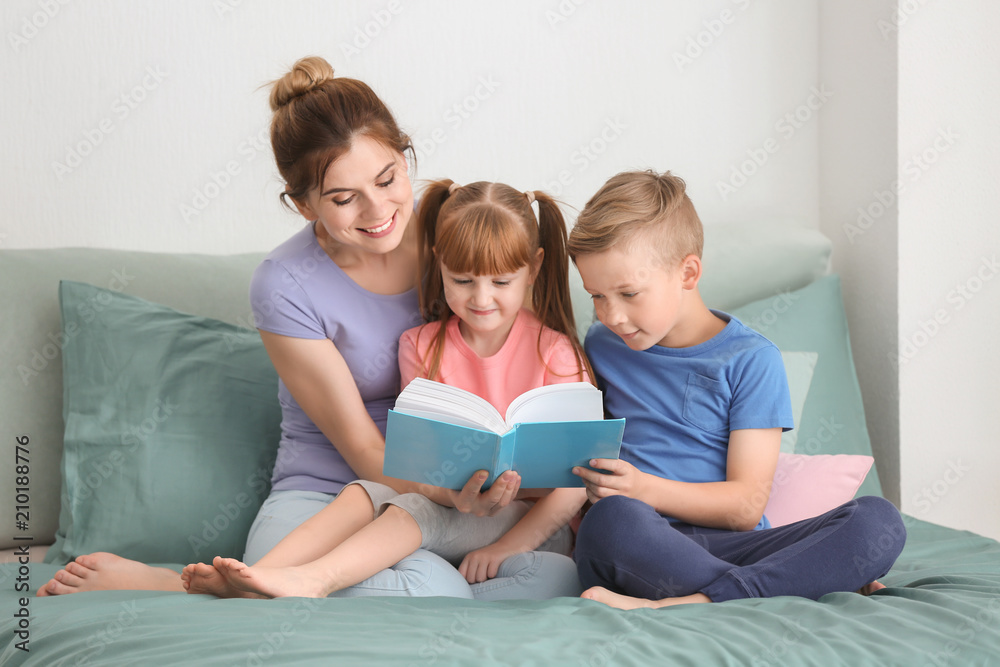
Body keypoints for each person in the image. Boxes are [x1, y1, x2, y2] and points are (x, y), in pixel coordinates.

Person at [37, 56, 578, 599]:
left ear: (404, 156)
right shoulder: (284, 283)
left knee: (451, 583)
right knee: (332, 582)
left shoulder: (451, 234)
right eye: (344, 199)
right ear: (303, 205)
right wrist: (444, 495)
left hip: (448, 498)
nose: (379, 210)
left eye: (388, 179)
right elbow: (367, 453)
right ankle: (182, 585)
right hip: (329, 493)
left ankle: (263, 587)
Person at [182, 180, 591, 599]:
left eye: (501, 282)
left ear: (534, 269)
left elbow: (575, 482)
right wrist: (450, 489)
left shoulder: (556, 355)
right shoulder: (421, 346)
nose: (481, 298)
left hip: (531, 522)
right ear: (439, 263)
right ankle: (257, 576)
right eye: (462, 280)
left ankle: (314, 579)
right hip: (451, 503)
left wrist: (509, 546)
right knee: (365, 492)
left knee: (415, 511)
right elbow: (417, 455)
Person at [566, 169, 907, 609]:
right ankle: (785, 586)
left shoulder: (751, 360)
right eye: (596, 296)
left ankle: (701, 602)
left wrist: (644, 487)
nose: (610, 315)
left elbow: (745, 506)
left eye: (628, 293)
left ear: (688, 272)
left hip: (735, 545)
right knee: (610, 521)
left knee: (879, 521)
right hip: (642, 545)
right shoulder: (601, 345)